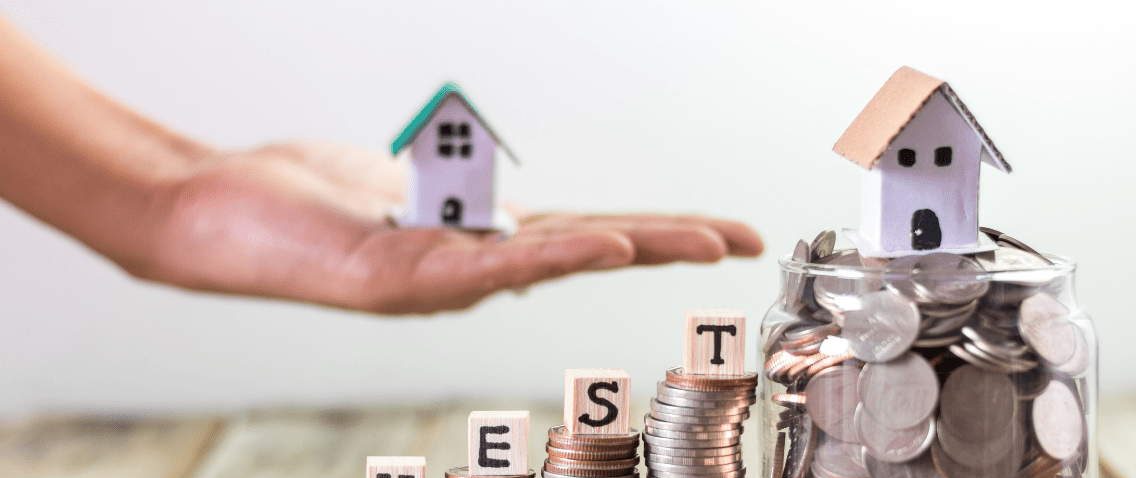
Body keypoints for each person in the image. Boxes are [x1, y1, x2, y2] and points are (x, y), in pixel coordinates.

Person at [0, 17, 762, 315]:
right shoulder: (435, 149)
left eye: (460, 144)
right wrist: (166, 192)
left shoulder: (457, 150)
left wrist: (168, 191)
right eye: (453, 144)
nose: (458, 150)